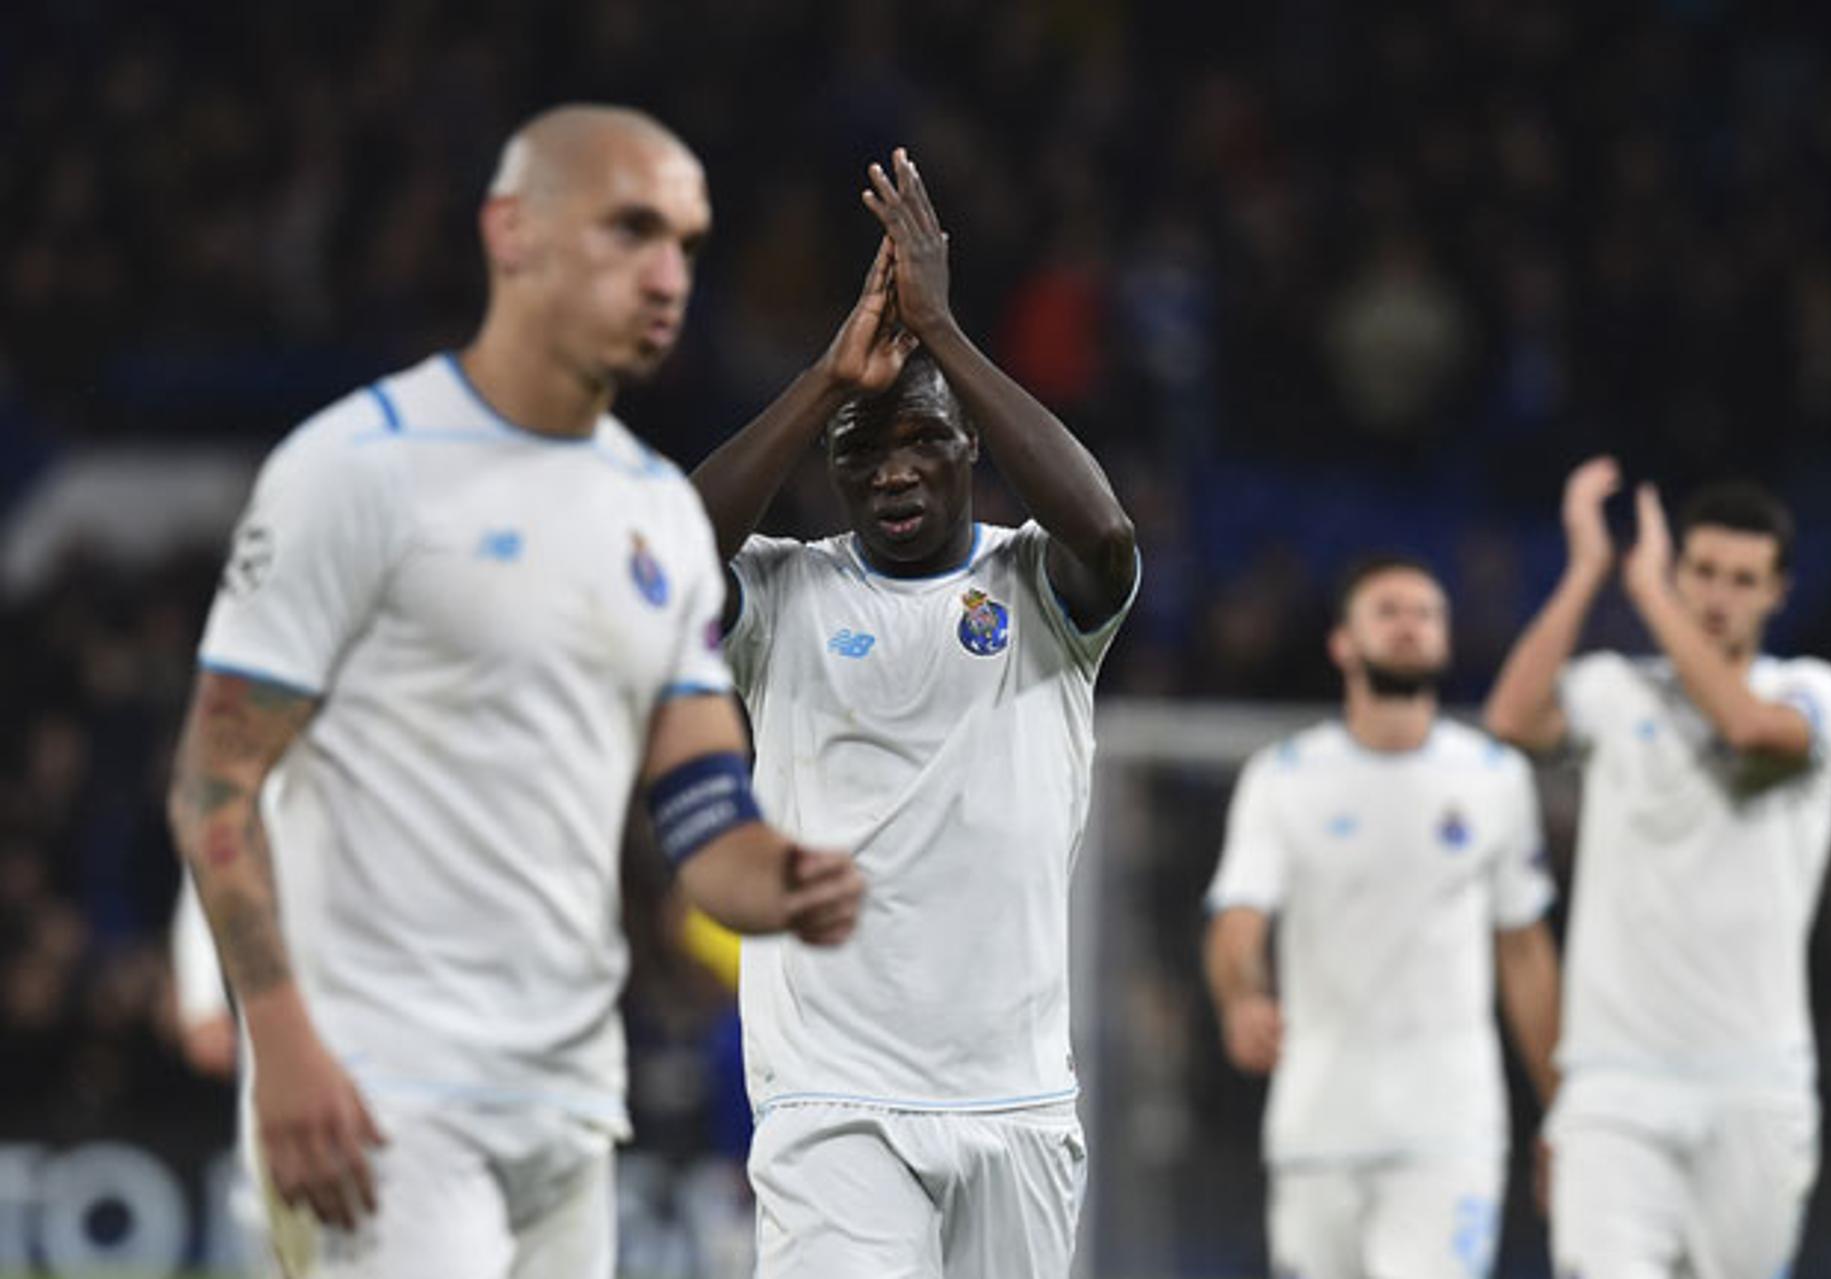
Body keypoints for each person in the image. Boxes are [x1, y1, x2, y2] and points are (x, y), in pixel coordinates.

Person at [166, 104, 865, 1279]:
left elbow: (702, 812)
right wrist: (279, 1042)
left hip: (568, 1105)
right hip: (377, 1092)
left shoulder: (652, 512)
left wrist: (780, 878)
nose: (668, 276)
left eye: (688, 246)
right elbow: (213, 779)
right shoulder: (356, 467)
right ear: (512, 232)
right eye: (631, 231)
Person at [689, 147, 1138, 1278]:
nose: (894, 471)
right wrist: (831, 383)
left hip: (1017, 1093)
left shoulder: (1039, 586)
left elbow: (1108, 538)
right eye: (863, 451)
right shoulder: (786, 593)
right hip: (832, 1095)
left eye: (924, 440)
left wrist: (942, 337)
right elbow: (667, 557)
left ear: (970, 447)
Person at [1484, 458, 1831, 1279]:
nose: (1718, 594)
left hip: (1756, 1083)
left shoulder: (1813, 693)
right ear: (1679, 567)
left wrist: (1650, 593)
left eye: (1742, 578)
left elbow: (1752, 731)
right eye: (1702, 572)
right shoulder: (1613, 691)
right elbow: (1511, 716)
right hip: (1614, 1088)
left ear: (1778, 592)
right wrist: (1588, 572)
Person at [1204, 555, 1562, 1279]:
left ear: (1446, 638)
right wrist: (1241, 996)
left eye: (1426, 613)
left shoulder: (1495, 779)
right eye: (1389, 611)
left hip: (1451, 1127)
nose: (1409, 625)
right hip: (1318, 1126)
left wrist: (1563, 1110)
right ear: (1343, 641)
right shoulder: (1283, 777)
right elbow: (1238, 922)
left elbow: (1525, 953)